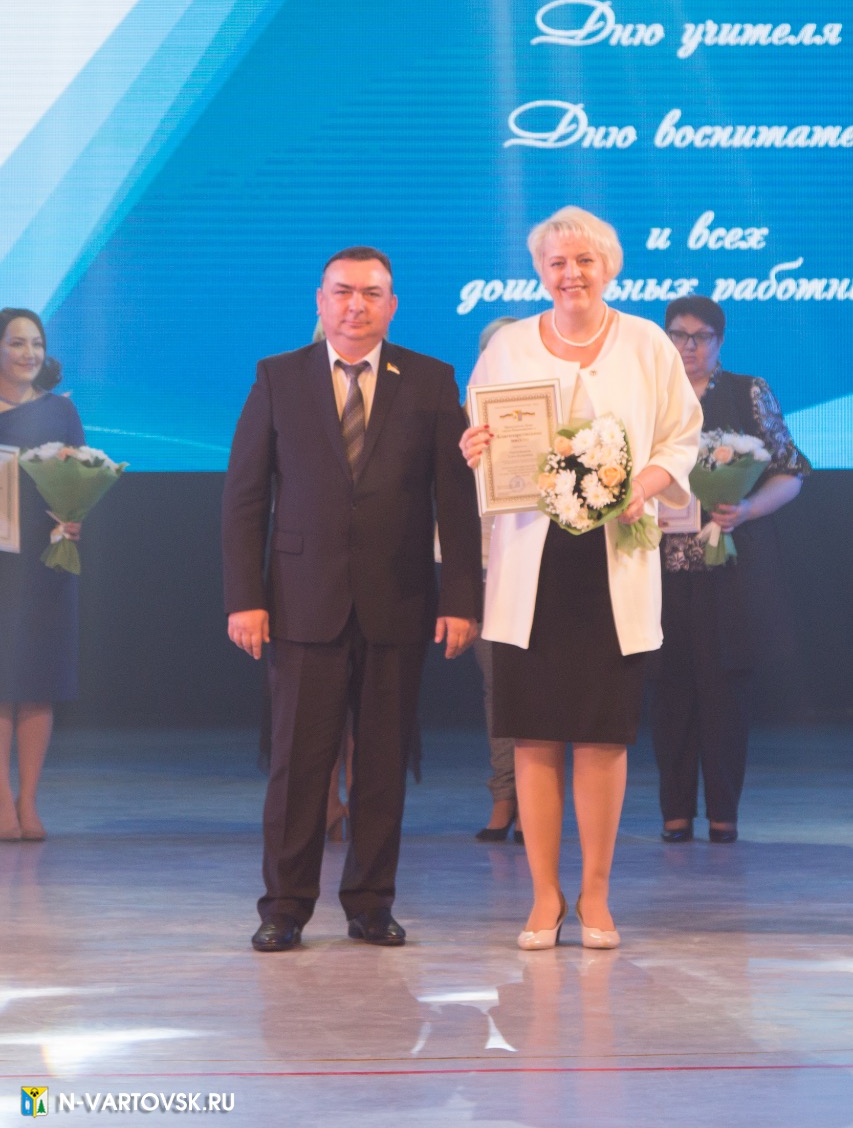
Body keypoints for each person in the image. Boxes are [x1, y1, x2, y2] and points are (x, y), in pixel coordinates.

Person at [223, 246, 482, 951]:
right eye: (342, 291)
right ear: (320, 300)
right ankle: (284, 906)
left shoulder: (429, 379)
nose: (355, 305)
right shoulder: (278, 376)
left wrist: (461, 598)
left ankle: (370, 903)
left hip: (399, 600)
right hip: (301, 602)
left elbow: (454, 500)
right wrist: (245, 597)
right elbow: (245, 496)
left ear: (392, 306)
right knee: (297, 766)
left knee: (382, 765)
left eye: (371, 293)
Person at [461, 208, 701, 950]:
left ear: (609, 268)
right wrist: (475, 446)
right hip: (529, 566)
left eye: (584, 261)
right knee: (533, 735)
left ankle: (595, 896)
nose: (571, 274)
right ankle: (544, 897)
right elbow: (482, 431)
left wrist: (644, 485)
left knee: (601, 735)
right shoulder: (505, 348)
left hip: (612, 560)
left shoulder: (647, 342)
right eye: (558, 262)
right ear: (541, 271)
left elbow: (680, 437)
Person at [652, 296, 810, 844]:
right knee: (669, 689)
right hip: (661, 570)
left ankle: (723, 813)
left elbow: (791, 471)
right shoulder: (649, 394)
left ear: (720, 342)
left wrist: (746, 509)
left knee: (725, 692)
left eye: (701, 337)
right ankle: (674, 813)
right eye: (678, 335)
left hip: (729, 570)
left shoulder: (748, 392)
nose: (688, 347)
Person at [0, 308, 84, 841]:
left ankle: (28, 800)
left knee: (36, 682)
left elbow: (82, 476)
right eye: (16, 343)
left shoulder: (61, 411)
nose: (28, 353)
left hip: (46, 563)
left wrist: (76, 516)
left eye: (36, 343)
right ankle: (0, 802)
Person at [471, 317, 521, 844]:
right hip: (485, 568)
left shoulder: (556, 412)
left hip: (545, 567)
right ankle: (504, 795)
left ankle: (538, 801)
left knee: (543, 687)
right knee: (499, 687)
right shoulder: (463, 417)